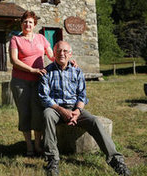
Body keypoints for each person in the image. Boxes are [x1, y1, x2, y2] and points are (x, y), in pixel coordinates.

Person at [38, 41, 131, 176]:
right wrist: (62, 111)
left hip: (75, 108)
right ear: (54, 54)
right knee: (47, 115)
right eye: (58, 51)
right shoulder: (47, 72)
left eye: (65, 51)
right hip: (56, 109)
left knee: (94, 121)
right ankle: (52, 161)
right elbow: (44, 97)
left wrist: (77, 112)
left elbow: (82, 95)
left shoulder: (77, 71)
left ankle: (117, 161)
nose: (62, 54)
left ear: (70, 54)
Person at [9, 11, 56, 157]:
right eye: (25, 22)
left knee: (38, 113)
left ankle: (38, 145)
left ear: (34, 24)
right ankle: (29, 146)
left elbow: (52, 56)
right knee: (24, 113)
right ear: (21, 24)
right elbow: (14, 61)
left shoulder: (41, 38)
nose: (27, 24)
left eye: (30, 22)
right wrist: (32, 70)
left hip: (39, 82)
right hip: (20, 82)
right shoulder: (15, 39)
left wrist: (66, 60)